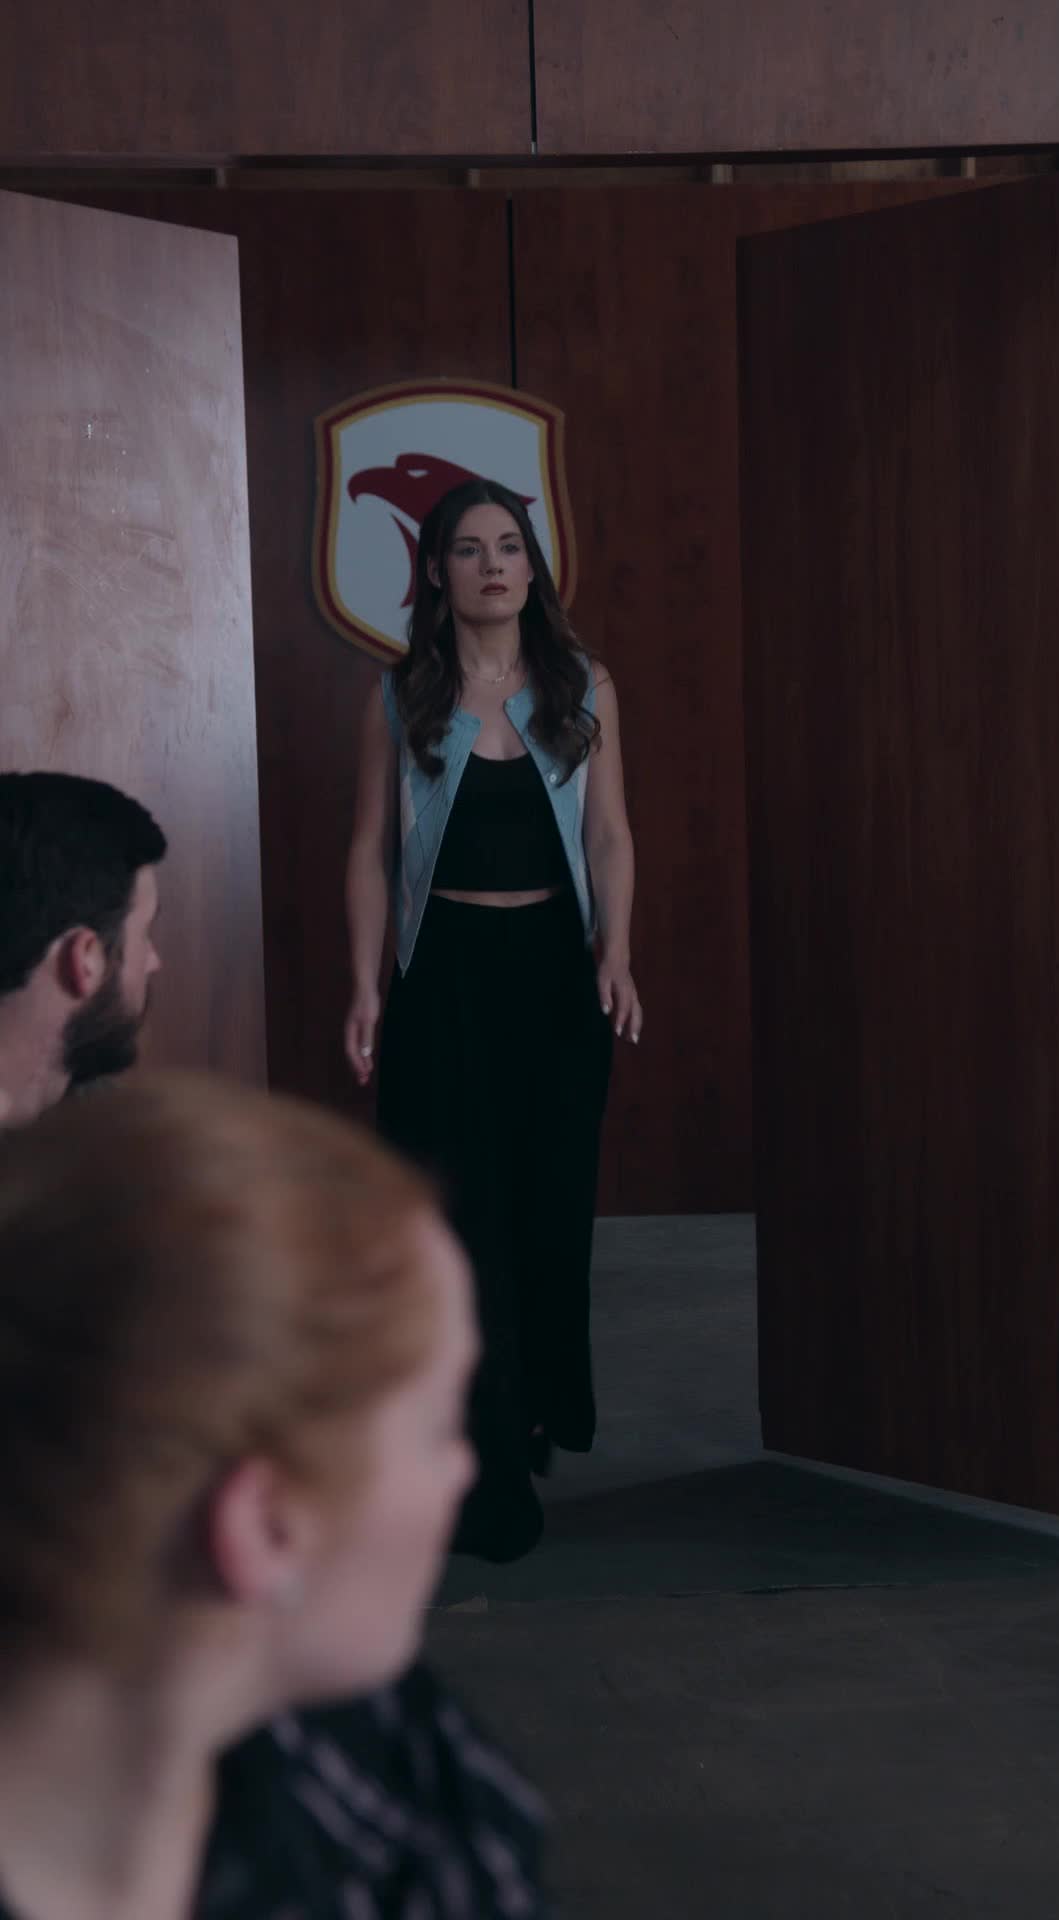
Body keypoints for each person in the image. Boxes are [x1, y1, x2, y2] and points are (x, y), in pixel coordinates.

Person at [0, 1072, 549, 1919]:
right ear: (264, 1527)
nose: (464, 1471)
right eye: (440, 1428)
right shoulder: (380, 1800)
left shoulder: (397, 1766)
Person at [344, 477, 643, 1563]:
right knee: (460, 1227)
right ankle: (487, 1475)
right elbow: (369, 850)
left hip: (556, 979)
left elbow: (609, 835)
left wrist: (617, 951)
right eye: (468, 550)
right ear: (437, 572)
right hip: (446, 979)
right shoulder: (400, 695)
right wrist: (366, 985)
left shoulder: (581, 684)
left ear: (531, 565)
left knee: (548, 1214)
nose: (492, 566)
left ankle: (532, 1411)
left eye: (508, 546)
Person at [0, 770, 165, 1125]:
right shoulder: (128, 1147)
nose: (154, 961)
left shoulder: (104, 1124)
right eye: (144, 933)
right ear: (85, 959)